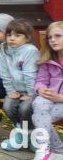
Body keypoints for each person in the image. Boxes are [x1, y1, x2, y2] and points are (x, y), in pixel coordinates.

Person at [0, 19, 40, 151]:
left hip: (32, 90)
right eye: (9, 35)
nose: (12, 38)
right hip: (15, 89)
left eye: (17, 35)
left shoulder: (30, 51)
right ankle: (23, 133)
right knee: (8, 106)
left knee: (25, 109)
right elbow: (3, 70)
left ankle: (30, 135)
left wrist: (31, 94)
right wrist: (10, 90)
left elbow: (30, 74)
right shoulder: (4, 48)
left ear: (27, 38)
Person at [32, 21, 63, 160]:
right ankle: (45, 149)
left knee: (37, 116)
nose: (53, 40)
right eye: (50, 37)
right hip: (51, 100)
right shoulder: (48, 59)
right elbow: (41, 81)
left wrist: (60, 98)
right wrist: (41, 90)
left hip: (61, 101)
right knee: (39, 103)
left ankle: (55, 151)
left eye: (58, 36)